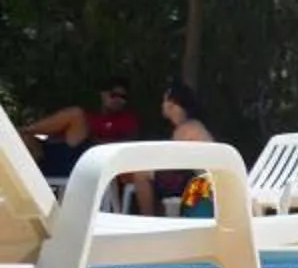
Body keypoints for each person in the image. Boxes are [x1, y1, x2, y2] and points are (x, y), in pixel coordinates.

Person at [125, 83, 219, 216]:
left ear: (172, 104)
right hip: (198, 178)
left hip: (200, 182)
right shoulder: (191, 125)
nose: (162, 105)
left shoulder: (186, 129)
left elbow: (171, 162)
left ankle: (148, 218)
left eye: (164, 100)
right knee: (152, 176)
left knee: (141, 175)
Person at [19, 84, 141, 179]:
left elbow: (125, 147)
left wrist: (93, 139)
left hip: (87, 160)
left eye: (123, 97)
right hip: (60, 154)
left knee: (75, 114)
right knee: (23, 138)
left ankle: (19, 129)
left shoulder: (127, 120)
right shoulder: (91, 116)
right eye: (114, 95)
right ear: (103, 94)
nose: (119, 100)